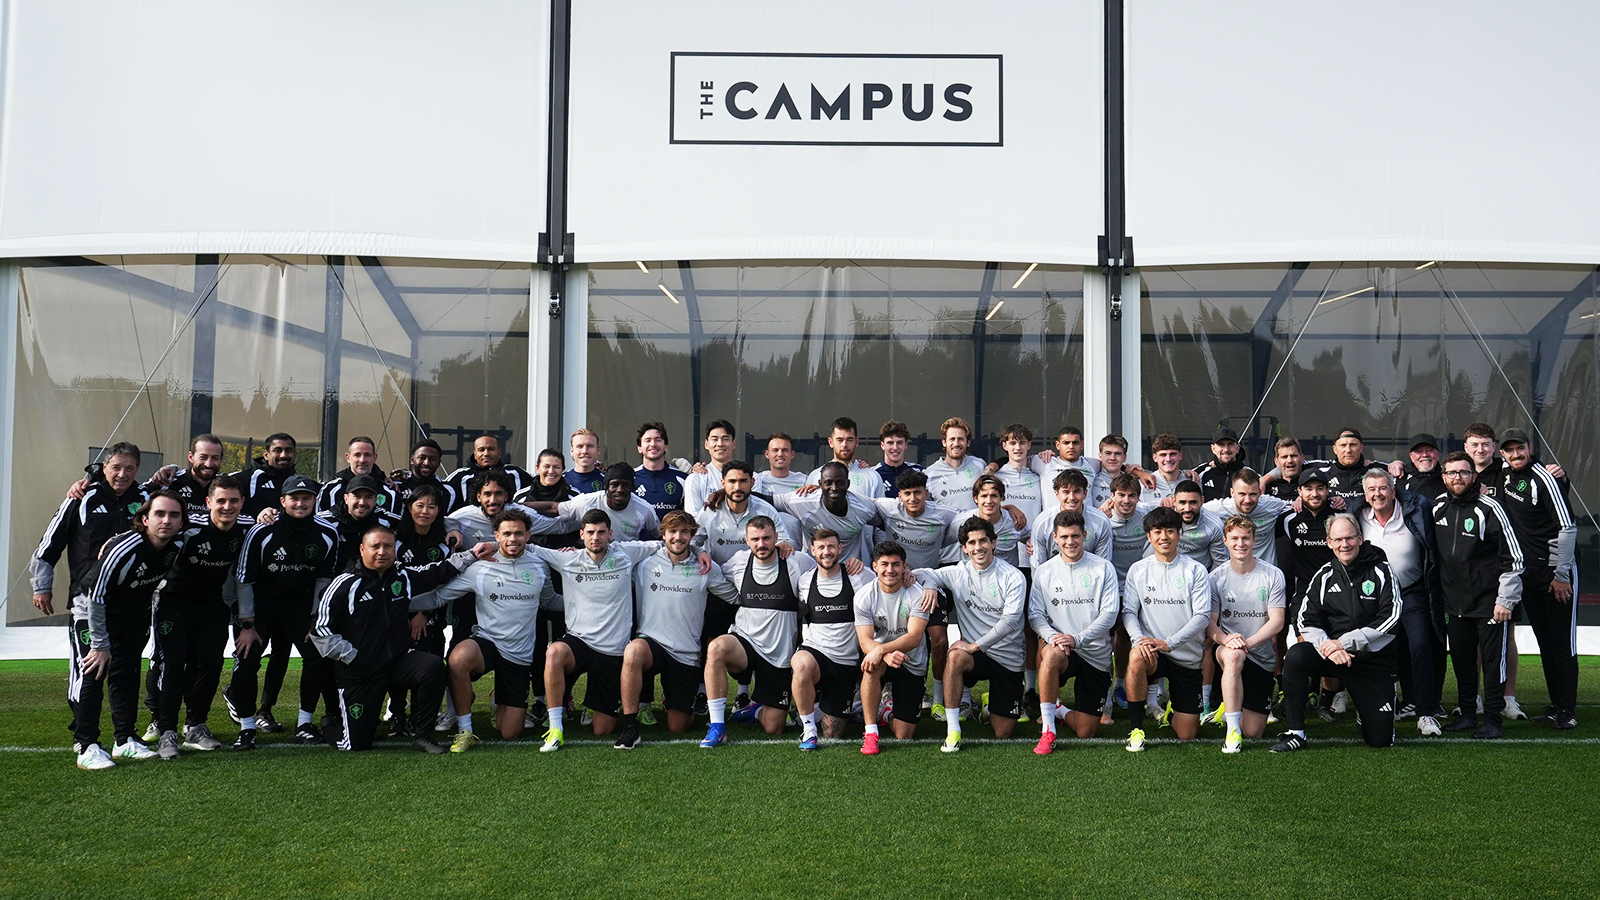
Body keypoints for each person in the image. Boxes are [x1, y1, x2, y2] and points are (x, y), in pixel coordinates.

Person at [533, 510, 700, 751]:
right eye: (590, 532)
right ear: (581, 534)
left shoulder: (626, 553)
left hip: (612, 652)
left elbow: (669, 541)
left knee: (603, 729)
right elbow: (527, 547)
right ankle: (555, 727)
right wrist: (484, 546)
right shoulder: (567, 559)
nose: (596, 537)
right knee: (554, 653)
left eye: (601, 532)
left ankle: (607, 707)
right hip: (578, 641)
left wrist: (700, 551)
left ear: (610, 534)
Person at [312, 525, 487, 752]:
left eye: (388, 546)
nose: (382, 552)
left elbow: (437, 572)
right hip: (360, 670)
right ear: (362, 549)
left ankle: (423, 735)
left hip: (396, 663)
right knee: (354, 744)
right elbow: (320, 629)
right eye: (375, 546)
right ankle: (329, 725)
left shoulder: (402, 576)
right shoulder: (344, 584)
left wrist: (472, 554)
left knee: (432, 666)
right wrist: (352, 656)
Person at [69, 491, 186, 770]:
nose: (166, 520)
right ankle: (86, 746)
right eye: (159, 514)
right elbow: (96, 597)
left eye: (174, 515)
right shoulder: (125, 548)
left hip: (132, 616)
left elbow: (216, 520)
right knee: (93, 672)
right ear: (145, 519)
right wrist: (99, 645)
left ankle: (124, 740)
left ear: (182, 522)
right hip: (92, 613)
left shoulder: (179, 543)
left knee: (127, 675)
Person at [225, 474, 341, 749]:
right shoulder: (262, 531)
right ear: (282, 501)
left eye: (306, 498)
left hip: (299, 607)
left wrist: (316, 621)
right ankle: (247, 727)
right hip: (260, 606)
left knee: (316, 658)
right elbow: (244, 579)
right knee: (246, 661)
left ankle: (304, 723)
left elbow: (324, 580)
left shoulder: (327, 533)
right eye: (294, 498)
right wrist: (247, 624)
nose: (300, 503)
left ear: (315, 500)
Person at [431, 508, 560, 751]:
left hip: (519, 654)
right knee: (458, 659)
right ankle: (465, 730)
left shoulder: (540, 566)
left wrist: (588, 602)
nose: (513, 539)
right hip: (487, 642)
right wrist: (402, 604)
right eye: (507, 533)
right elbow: (439, 597)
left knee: (510, 733)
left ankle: (497, 699)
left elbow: (550, 601)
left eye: (519, 533)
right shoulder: (480, 567)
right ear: (497, 536)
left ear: (529, 535)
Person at [1272, 514, 1402, 752]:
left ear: (1360, 539)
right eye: (1338, 539)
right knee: (1296, 655)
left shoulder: (1382, 570)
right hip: (1333, 656)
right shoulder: (1323, 575)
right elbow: (1305, 619)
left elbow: (1391, 618)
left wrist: (1344, 643)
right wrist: (1328, 647)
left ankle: (1367, 711)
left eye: (1350, 538)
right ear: (1329, 542)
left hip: (1371, 661)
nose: (1345, 545)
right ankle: (1296, 733)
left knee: (1380, 740)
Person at [618, 511, 739, 748]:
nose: (678, 537)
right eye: (672, 532)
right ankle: (630, 726)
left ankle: (677, 702)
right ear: (663, 534)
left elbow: (734, 597)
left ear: (692, 536)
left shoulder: (706, 568)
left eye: (684, 532)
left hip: (685, 652)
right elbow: (610, 550)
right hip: (651, 643)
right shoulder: (644, 562)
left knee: (678, 725)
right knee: (633, 651)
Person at [152, 475, 251, 759]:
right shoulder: (188, 530)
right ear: (209, 503)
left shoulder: (246, 530)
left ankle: (196, 726)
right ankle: (167, 731)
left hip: (212, 607)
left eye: (234, 501)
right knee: (172, 665)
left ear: (242, 503)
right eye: (220, 501)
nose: (227, 506)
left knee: (211, 664)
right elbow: (153, 535)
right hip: (173, 605)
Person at [701, 516, 817, 747]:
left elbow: (826, 573)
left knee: (774, 727)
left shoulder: (797, 562)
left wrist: (852, 566)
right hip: (745, 641)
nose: (761, 544)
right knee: (716, 648)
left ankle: (751, 711)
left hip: (779, 654)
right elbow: (714, 575)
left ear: (776, 538)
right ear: (747, 540)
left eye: (766, 538)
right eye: (755, 539)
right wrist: (699, 553)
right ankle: (717, 727)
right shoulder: (739, 562)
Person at [914, 517, 1029, 752]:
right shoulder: (958, 572)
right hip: (975, 656)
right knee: (955, 656)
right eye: (972, 542)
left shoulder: (1013, 576)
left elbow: (1009, 622)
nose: (978, 547)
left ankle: (990, 706)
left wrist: (975, 645)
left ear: (994, 543)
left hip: (1008, 657)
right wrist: (929, 585)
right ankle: (953, 730)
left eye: (983, 541)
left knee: (1003, 732)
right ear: (964, 548)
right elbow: (922, 572)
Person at [1433, 451, 1524, 739]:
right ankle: (1468, 715)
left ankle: (1494, 720)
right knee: (1461, 660)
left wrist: (1505, 599)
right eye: (1451, 473)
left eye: (1463, 472)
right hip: (1453, 603)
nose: (1457, 477)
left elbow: (1515, 557)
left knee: (1493, 662)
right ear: (1443, 477)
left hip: (1490, 603)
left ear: (1474, 476)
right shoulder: (1436, 508)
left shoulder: (1491, 508)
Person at [1492, 429, 1579, 729]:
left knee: (1562, 642)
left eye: (1520, 449)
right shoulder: (1503, 474)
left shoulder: (1544, 478)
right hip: (1527, 573)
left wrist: (1562, 574)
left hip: (1556, 572)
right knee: (1545, 641)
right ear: (1502, 453)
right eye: (1509, 451)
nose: (1515, 455)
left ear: (1530, 448)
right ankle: (1556, 705)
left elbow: (1567, 529)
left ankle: (1567, 710)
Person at [1351, 469, 1445, 735]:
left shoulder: (1415, 509)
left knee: (1419, 645)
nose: (1377, 494)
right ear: (1365, 494)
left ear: (1393, 490)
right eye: (1371, 490)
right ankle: (1398, 702)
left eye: (1382, 488)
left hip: (1412, 591)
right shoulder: (1358, 515)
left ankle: (1426, 712)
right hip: (1378, 596)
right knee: (1388, 649)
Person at [1028, 511, 1120, 754]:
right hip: (1062, 650)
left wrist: (1078, 639)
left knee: (1086, 732)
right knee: (1050, 655)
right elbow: (1035, 615)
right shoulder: (1045, 572)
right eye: (1065, 536)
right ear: (1055, 538)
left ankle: (1060, 710)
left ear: (1084, 536)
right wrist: (1052, 637)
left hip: (1095, 653)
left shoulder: (1103, 568)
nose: (1070, 542)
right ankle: (1048, 730)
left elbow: (1109, 615)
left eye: (1076, 536)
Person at [1121, 507, 1212, 752]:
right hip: (1152, 652)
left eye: (1170, 531)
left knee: (1187, 733)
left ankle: (1171, 712)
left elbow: (1202, 616)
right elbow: (1129, 611)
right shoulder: (1138, 570)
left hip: (1185, 656)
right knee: (1136, 657)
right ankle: (1136, 728)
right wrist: (1139, 639)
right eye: (1157, 531)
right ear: (1149, 536)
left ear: (1179, 535)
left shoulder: (1195, 570)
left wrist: (1169, 642)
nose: (1164, 537)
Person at [1207, 515, 1286, 753]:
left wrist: (1247, 643)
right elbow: (1209, 624)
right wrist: (1226, 640)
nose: (1240, 543)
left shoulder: (1272, 574)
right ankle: (1232, 731)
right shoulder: (1216, 578)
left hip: (1259, 653)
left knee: (1254, 732)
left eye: (1245, 538)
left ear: (1255, 540)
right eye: (1234, 538)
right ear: (1225, 541)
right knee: (1233, 657)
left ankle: (1230, 705)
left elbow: (1277, 621)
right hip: (1227, 649)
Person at [791, 530, 873, 750]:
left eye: (831, 547)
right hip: (815, 652)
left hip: (845, 662)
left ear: (840, 549)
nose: (826, 552)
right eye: (821, 547)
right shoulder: (805, 580)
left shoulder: (859, 576)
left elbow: (885, 585)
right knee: (800, 665)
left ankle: (832, 704)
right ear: (813, 551)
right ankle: (808, 730)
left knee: (832, 733)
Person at [853, 540, 934, 755]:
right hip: (882, 659)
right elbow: (864, 641)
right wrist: (883, 653)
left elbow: (915, 637)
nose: (890, 570)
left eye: (896, 564)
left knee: (903, 734)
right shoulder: (864, 596)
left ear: (904, 567)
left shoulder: (916, 594)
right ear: (875, 567)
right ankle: (871, 733)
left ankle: (886, 711)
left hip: (911, 661)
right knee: (870, 665)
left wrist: (881, 649)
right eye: (885, 564)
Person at [389, 483, 457, 735]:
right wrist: (406, 614)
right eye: (420, 505)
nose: (425, 511)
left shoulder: (444, 544)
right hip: (399, 616)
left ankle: (421, 717)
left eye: (431, 506)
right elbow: (395, 582)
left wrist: (424, 613)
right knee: (397, 663)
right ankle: (397, 715)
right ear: (409, 508)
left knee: (430, 662)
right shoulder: (395, 542)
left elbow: (444, 581)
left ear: (439, 511)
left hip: (432, 615)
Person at [771, 461, 886, 565]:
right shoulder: (803, 500)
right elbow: (765, 502)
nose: (834, 488)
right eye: (828, 483)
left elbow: (889, 522)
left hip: (851, 570)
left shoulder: (863, 507)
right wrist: (781, 539)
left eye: (840, 483)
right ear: (820, 484)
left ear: (848, 484)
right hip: (813, 570)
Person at [523, 462, 660, 541]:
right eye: (614, 485)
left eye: (625, 485)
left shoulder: (644, 509)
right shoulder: (587, 502)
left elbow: (660, 536)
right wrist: (515, 506)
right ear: (606, 487)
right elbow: (553, 508)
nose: (620, 490)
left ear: (632, 487)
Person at [871, 470, 961, 571]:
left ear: (926, 494)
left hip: (929, 576)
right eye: (907, 493)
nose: (912, 498)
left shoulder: (944, 514)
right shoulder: (888, 509)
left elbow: (967, 518)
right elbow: (862, 504)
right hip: (897, 576)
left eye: (917, 492)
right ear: (900, 496)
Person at [1202, 469, 1291, 567]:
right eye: (1242, 494)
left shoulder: (1271, 505)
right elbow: (1192, 510)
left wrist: (1300, 500)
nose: (1247, 500)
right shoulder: (1217, 509)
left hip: (1266, 575)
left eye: (1252, 494)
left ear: (1260, 492)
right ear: (1232, 492)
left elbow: (1298, 506)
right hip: (1233, 574)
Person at [319, 474, 402, 572]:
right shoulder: (325, 521)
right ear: (346, 498)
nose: (362, 502)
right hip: (332, 580)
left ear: (375, 500)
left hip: (373, 582)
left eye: (368, 497)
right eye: (357, 496)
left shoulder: (388, 521)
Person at [1029, 469, 1112, 568]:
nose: (1071, 497)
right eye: (1066, 492)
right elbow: (1038, 568)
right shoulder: (1042, 523)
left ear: (1085, 493)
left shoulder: (1101, 521)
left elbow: (1103, 566)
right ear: (1057, 494)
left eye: (1076, 491)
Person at [942, 475, 1027, 568]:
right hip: (972, 579)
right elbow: (937, 544)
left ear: (1002, 497)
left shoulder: (1015, 521)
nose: (989, 501)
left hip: (1007, 579)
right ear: (976, 498)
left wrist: (1030, 543)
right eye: (984, 496)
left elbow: (1033, 540)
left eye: (994, 495)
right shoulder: (961, 522)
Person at [444, 433, 534, 512]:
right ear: (475, 454)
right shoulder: (460, 476)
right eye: (481, 449)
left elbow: (539, 487)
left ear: (499, 452)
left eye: (491, 449)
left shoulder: (515, 473)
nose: (486, 453)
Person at [316, 436, 399, 515]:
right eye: (357, 455)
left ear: (375, 458)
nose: (362, 460)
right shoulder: (330, 490)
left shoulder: (390, 492)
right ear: (348, 457)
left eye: (367, 455)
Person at [802, 416, 882, 498]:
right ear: (830, 442)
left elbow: (880, 509)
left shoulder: (872, 476)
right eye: (839, 440)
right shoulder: (816, 476)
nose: (844, 445)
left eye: (849, 440)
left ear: (857, 442)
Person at [923, 417, 986, 510]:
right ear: (944, 442)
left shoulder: (980, 465)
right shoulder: (929, 474)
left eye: (960, 439)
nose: (956, 443)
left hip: (978, 524)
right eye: (952, 439)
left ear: (968, 443)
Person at [239, 432, 306, 517]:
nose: (283, 455)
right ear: (266, 455)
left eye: (288, 450)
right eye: (278, 450)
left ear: (295, 455)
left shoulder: (303, 484)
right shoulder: (244, 480)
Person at [632, 421, 689, 519]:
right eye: (648, 440)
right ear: (639, 448)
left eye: (658, 440)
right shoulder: (630, 478)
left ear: (666, 447)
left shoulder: (683, 478)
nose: (653, 444)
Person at [991, 423, 1045, 524]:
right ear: (1004, 445)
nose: (1018, 448)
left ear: (1029, 445)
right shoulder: (996, 478)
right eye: (1013, 443)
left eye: (1022, 443)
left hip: (1033, 538)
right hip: (1004, 537)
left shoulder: (1039, 478)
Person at [391, 438, 458, 512]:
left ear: (439, 463)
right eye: (422, 458)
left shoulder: (448, 491)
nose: (426, 463)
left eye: (433, 459)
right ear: (412, 460)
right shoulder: (397, 486)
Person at [685, 419, 737, 513]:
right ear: (706, 444)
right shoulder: (696, 478)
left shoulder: (751, 477)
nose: (720, 444)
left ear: (734, 443)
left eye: (725, 439)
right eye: (714, 439)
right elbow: (693, 519)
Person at [871, 420, 924, 498]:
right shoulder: (873, 474)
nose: (895, 448)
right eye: (890, 443)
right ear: (882, 445)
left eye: (899, 443)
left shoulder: (920, 472)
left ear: (906, 445)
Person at [1193, 427, 1245, 502]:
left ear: (1237, 448)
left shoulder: (1249, 474)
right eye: (1221, 445)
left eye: (1230, 444)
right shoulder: (1200, 472)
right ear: (1213, 449)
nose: (1226, 449)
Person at [1395, 433, 1445, 500]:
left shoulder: (1448, 476)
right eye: (1419, 451)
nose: (1425, 455)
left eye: (1429, 450)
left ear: (1437, 454)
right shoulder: (1400, 478)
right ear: (1411, 456)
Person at [1143, 433, 1190, 500]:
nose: (1168, 459)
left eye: (1172, 454)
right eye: (1163, 455)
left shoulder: (1193, 480)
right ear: (1155, 457)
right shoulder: (1144, 484)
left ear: (1180, 455)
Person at [1263, 438, 1306, 502]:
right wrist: (1263, 480)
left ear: (1302, 458)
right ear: (1276, 461)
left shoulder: (1311, 485)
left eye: (1293, 456)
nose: (1289, 461)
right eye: (1284, 457)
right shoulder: (1266, 486)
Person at [565, 428, 606, 494]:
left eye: (590, 446)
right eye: (580, 446)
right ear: (572, 451)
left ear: (598, 450)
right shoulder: (561, 480)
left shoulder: (608, 481)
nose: (585, 451)